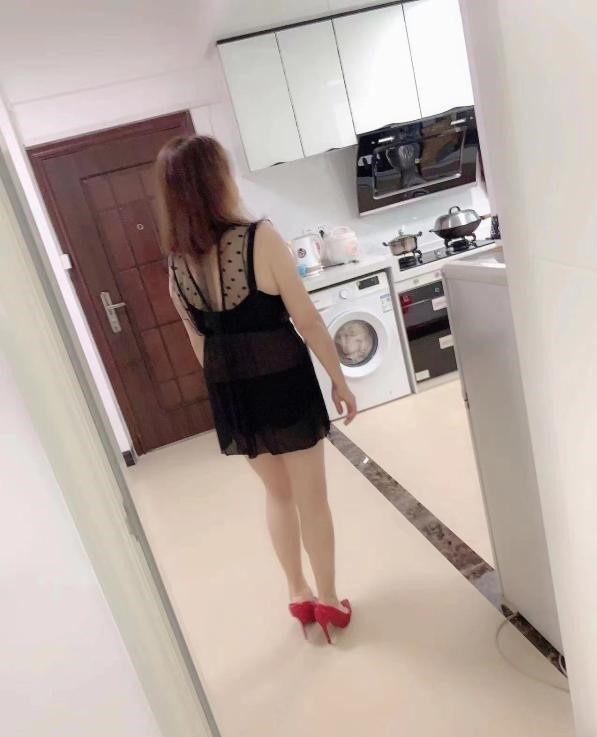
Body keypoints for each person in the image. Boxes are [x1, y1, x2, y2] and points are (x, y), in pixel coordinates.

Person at [155, 135, 357, 643]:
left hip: (232, 391)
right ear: (218, 179)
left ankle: (298, 592)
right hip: (284, 382)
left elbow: (198, 343)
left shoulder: (175, 265)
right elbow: (307, 320)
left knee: (277, 495)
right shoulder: (259, 238)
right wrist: (339, 379)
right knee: (312, 498)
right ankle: (330, 601)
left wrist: (228, 392)